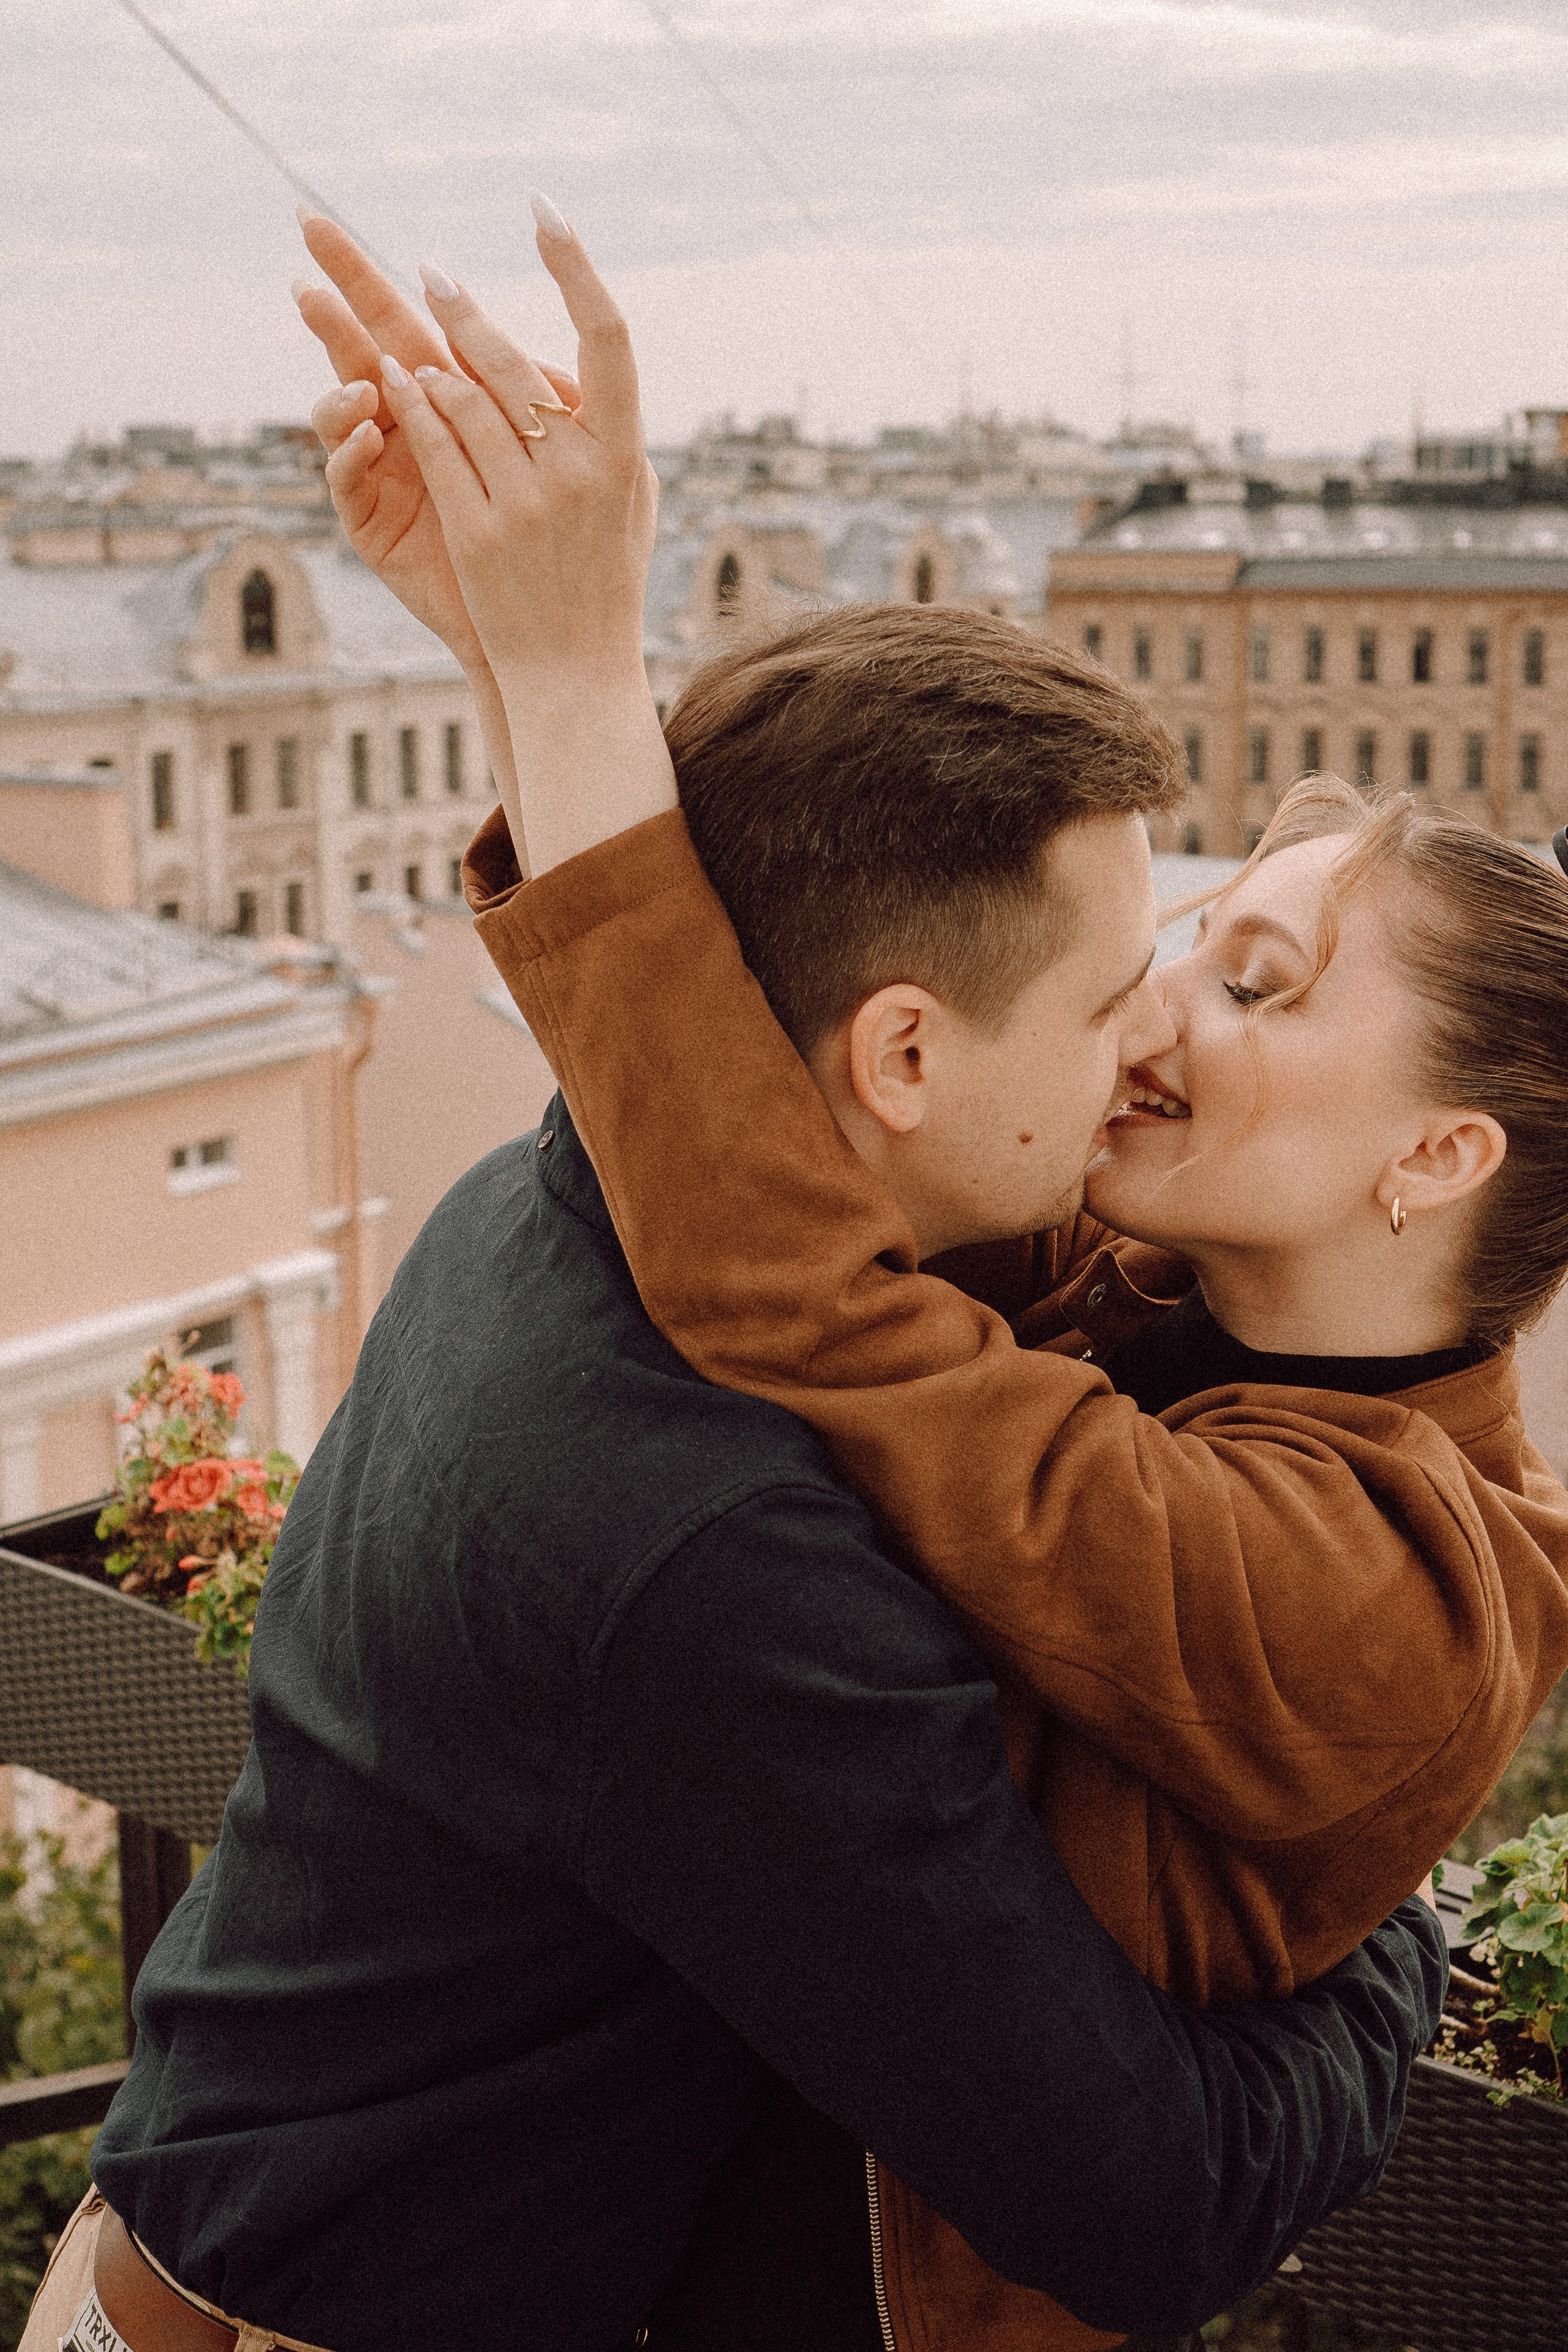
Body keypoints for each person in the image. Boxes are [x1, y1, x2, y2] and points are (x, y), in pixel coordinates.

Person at [23, 216, 1452, 2352]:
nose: (1148, 1042)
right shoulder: (720, 1552)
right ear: (896, 1058)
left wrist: (543, 664)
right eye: (1104, 999)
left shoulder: (570, 1192)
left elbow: (667, 1013)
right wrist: (1389, 1909)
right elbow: (1147, 2202)